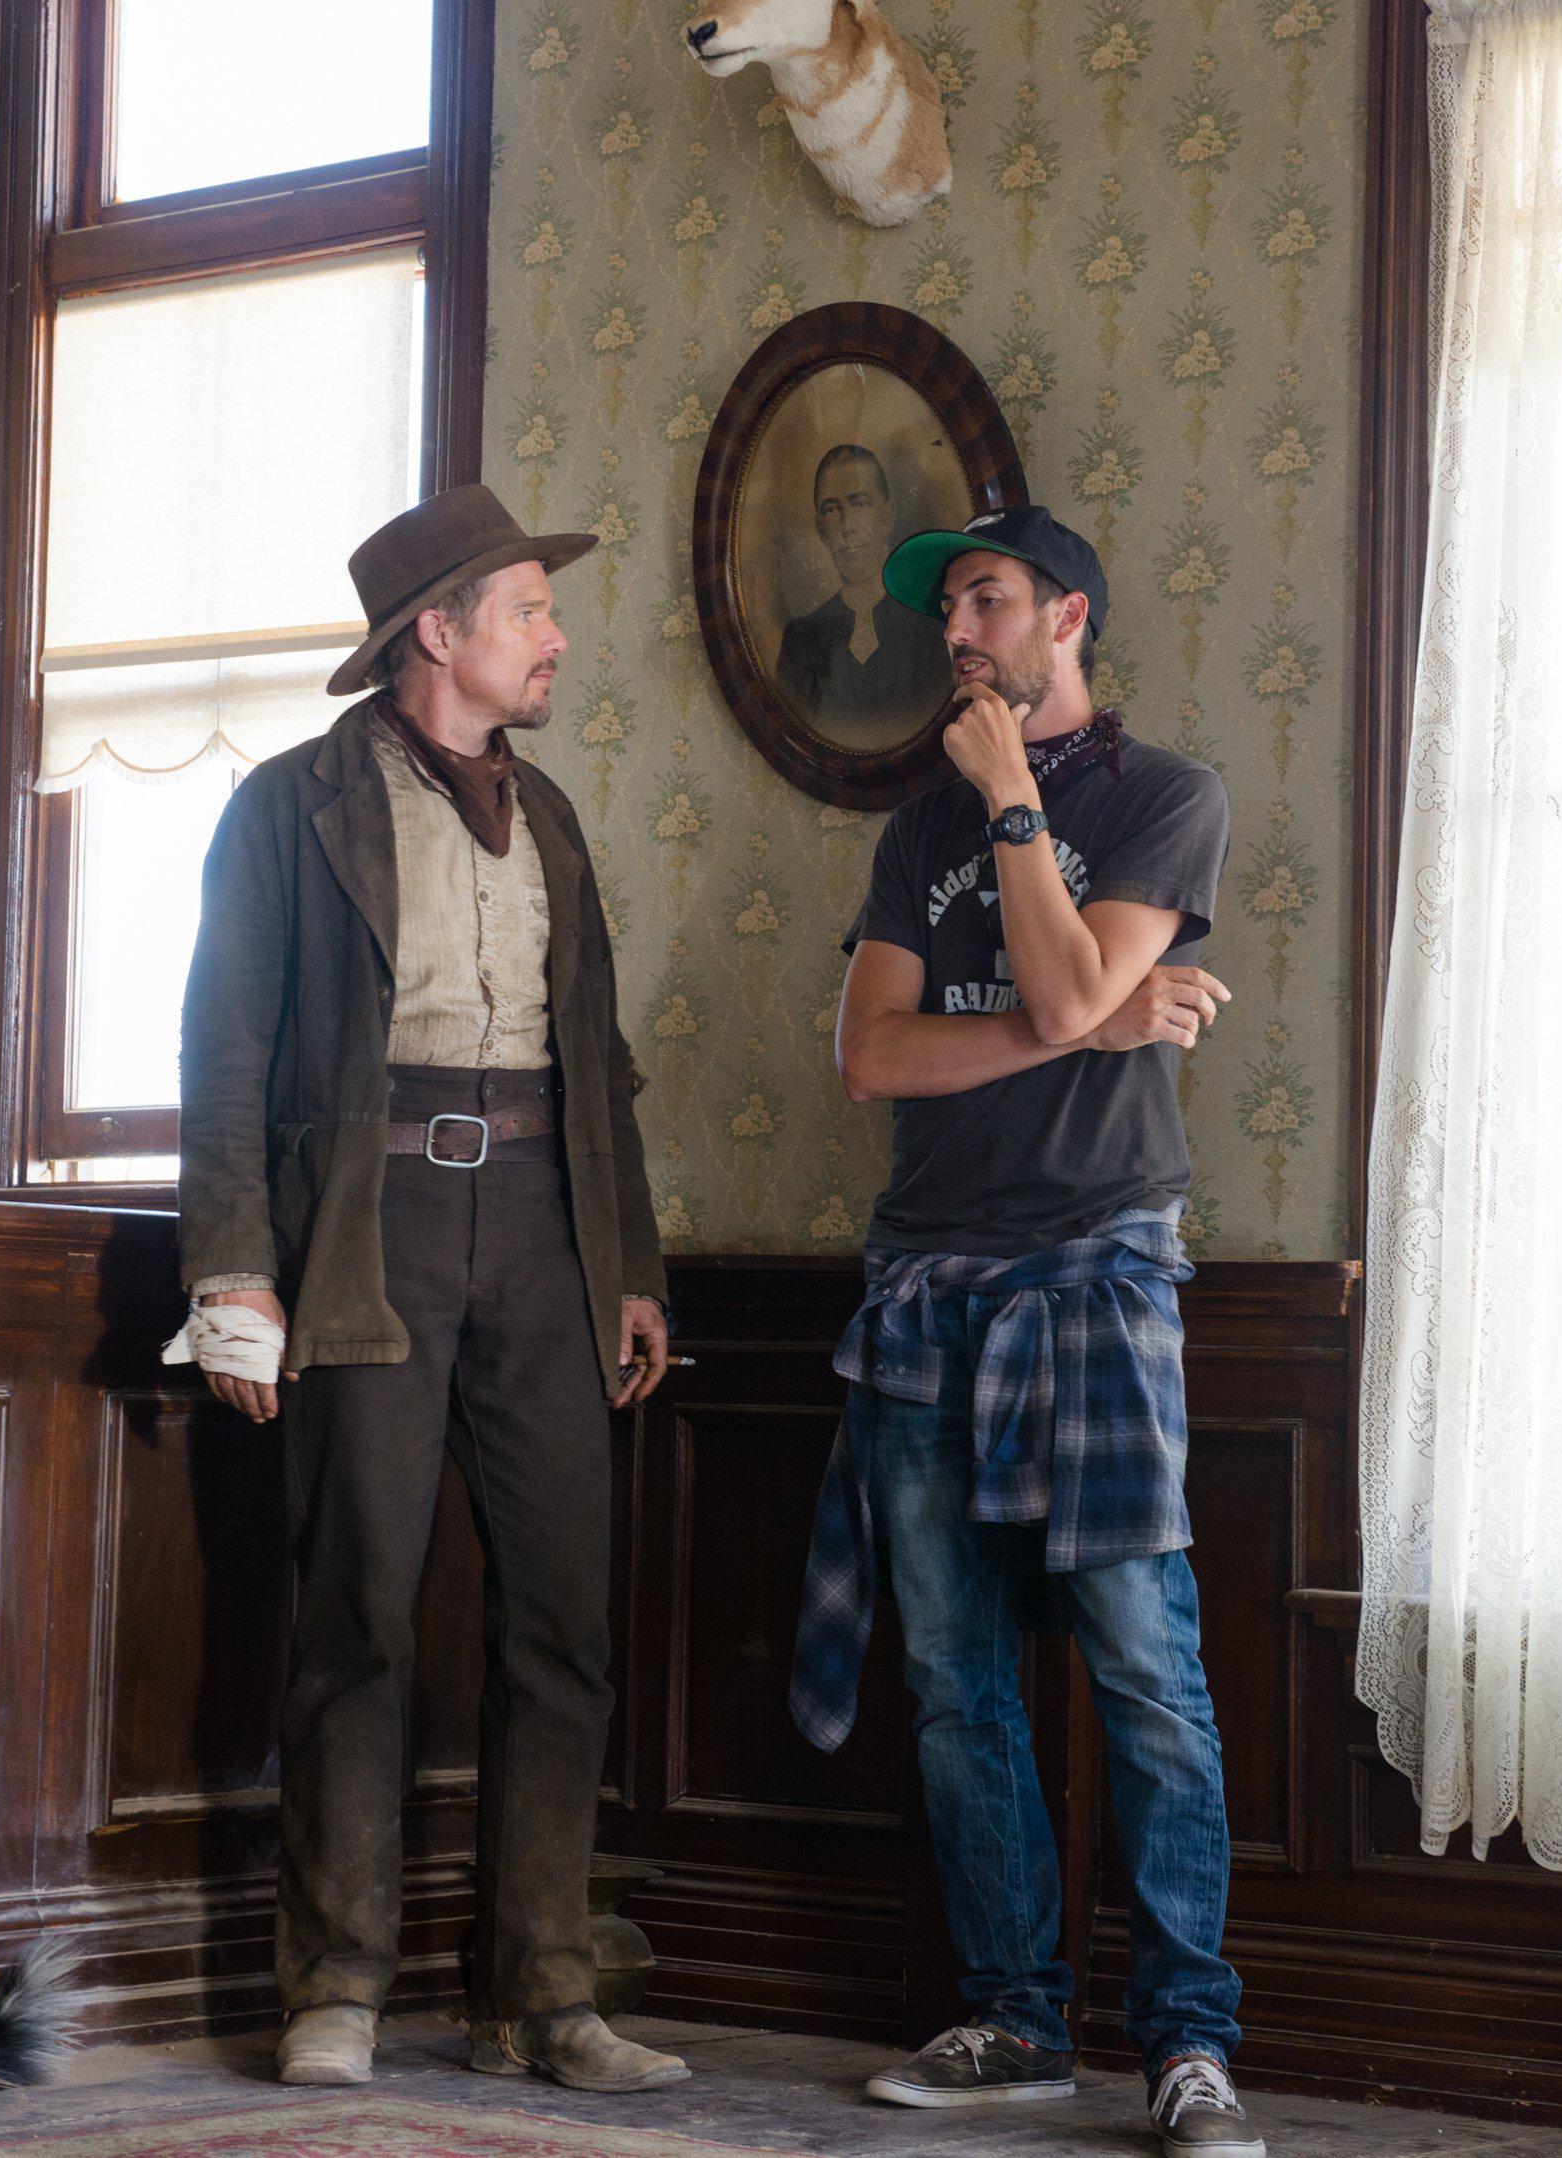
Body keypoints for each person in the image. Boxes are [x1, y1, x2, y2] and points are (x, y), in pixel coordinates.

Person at [171, 483, 684, 2098]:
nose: (552, 636)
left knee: (561, 1624)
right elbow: (226, 1049)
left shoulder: (557, 814)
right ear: (434, 632)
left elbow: (593, 1060)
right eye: (525, 608)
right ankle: (332, 1983)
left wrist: (629, 1265)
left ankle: (541, 1993)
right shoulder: (288, 806)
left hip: (543, 1221)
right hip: (365, 1219)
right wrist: (234, 1275)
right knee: (357, 1612)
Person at [803, 504, 1258, 2155]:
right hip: (924, 1276)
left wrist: (1012, 806)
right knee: (951, 1676)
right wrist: (1088, 1018)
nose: (954, 628)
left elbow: (1054, 998)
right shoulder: (904, 828)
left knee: (1145, 1668)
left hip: (1098, 1268)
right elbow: (870, 1056)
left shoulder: (1162, 797)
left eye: (984, 596)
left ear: (1066, 612)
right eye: (944, 605)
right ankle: (1013, 2015)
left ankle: (1189, 2042)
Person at [774, 443, 949, 732]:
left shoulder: (931, 629)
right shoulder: (800, 640)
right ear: (820, 529)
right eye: (831, 510)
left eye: (859, 503)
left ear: (887, 517)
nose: (847, 525)